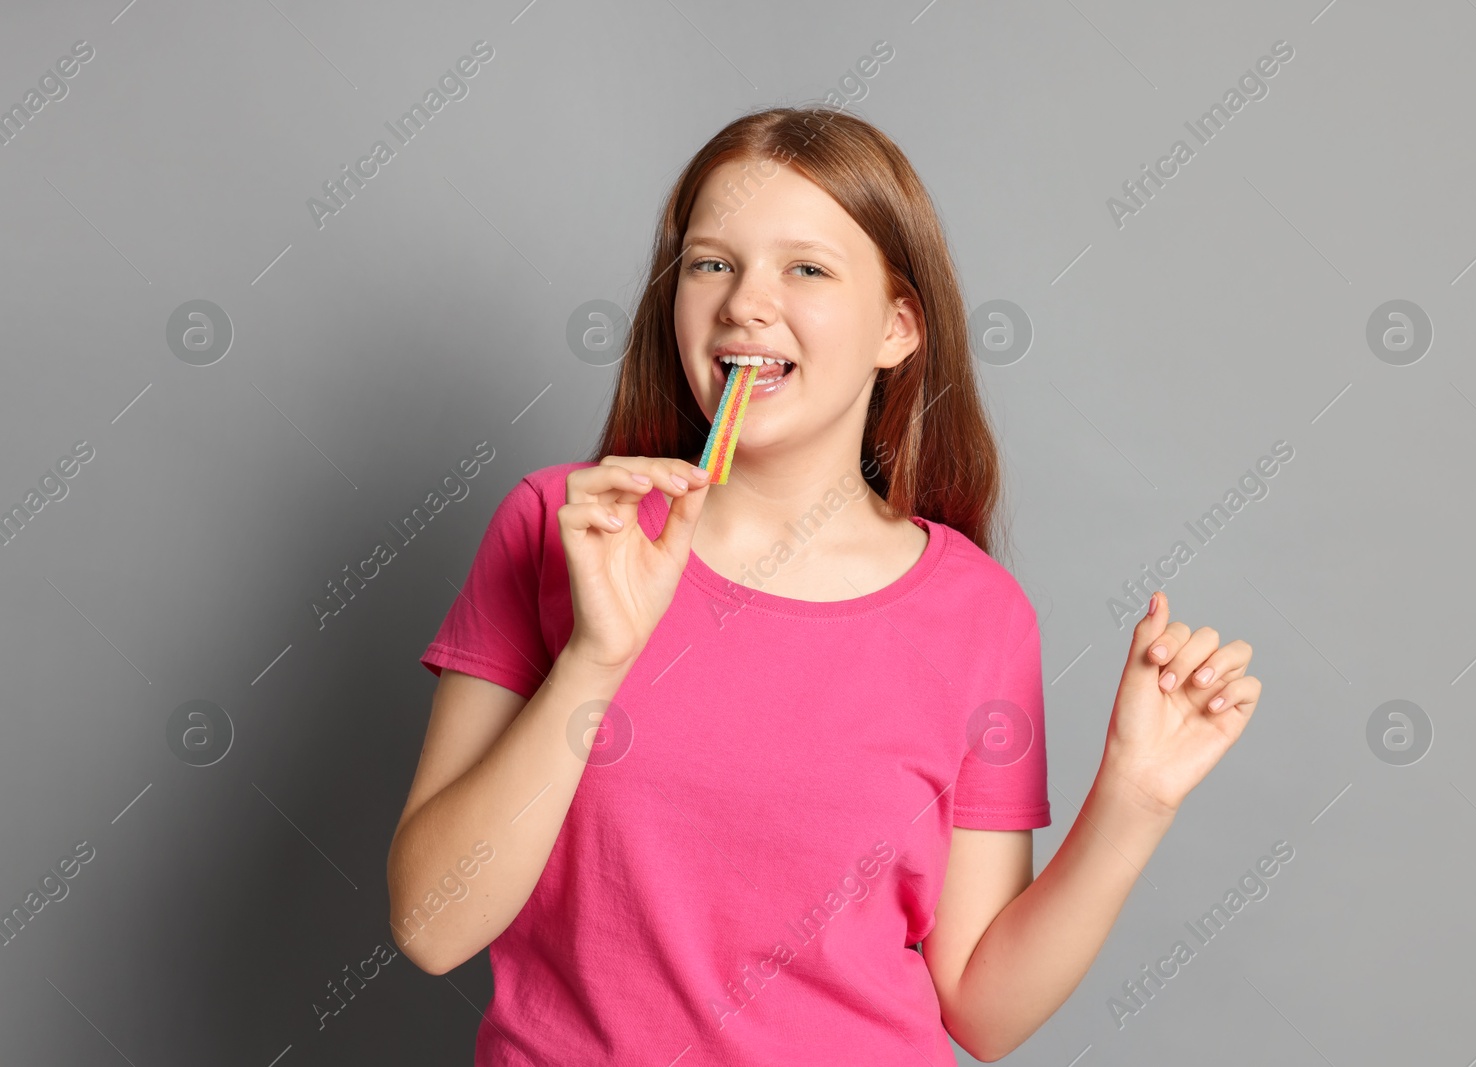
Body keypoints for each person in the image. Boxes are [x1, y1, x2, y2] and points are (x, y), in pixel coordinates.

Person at [385, 105, 1261, 1065]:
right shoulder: (558, 530)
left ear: (897, 327)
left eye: (805, 268)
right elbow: (433, 926)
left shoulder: (977, 616)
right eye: (713, 263)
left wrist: (1132, 800)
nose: (745, 304)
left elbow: (984, 1011)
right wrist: (596, 660)